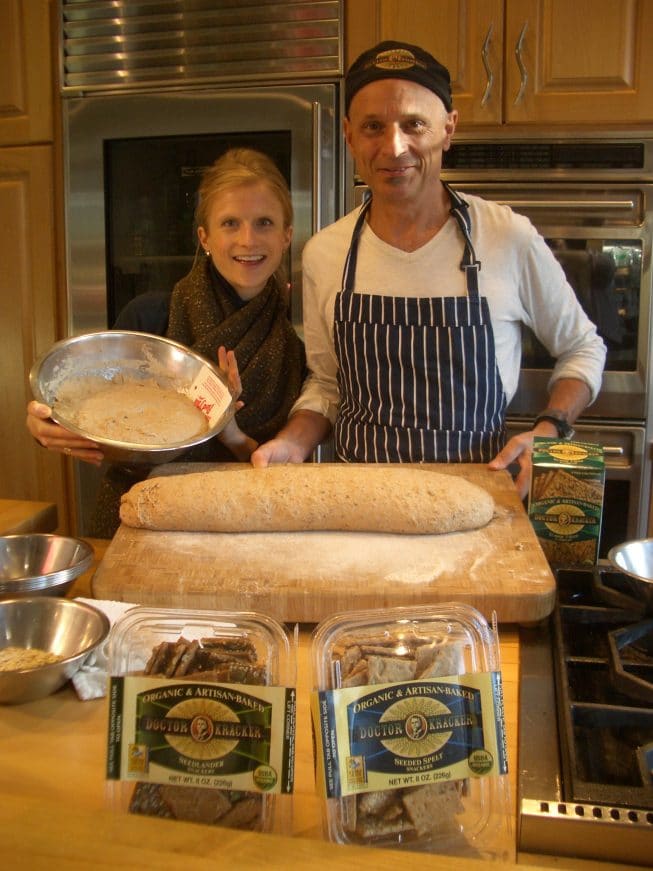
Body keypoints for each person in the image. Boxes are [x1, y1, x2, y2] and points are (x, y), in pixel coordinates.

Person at [251, 41, 606, 498]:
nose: (393, 147)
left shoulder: (506, 236)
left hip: (475, 504)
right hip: (360, 509)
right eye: (373, 126)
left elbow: (583, 347)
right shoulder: (325, 253)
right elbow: (327, 384)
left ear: (448, 129)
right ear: (349, 135)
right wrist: (292, 442)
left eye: (413, 124)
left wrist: (550, 427)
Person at [27, 148, 306, 536]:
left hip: (245, 530)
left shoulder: (297, 347)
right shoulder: (149, 320)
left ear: (286, 236)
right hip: (141, 520)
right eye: (230, 223)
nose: (248, 239)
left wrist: (230, 433)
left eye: (264, 222)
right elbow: (94, 414)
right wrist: (50, 424)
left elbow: (283, 474)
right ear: (204, 237)